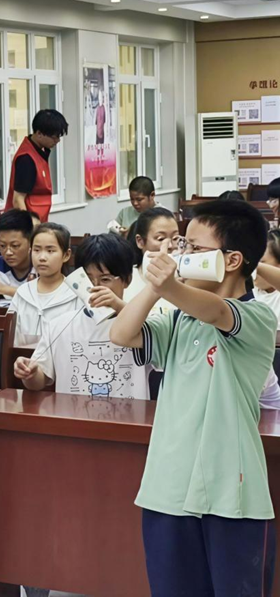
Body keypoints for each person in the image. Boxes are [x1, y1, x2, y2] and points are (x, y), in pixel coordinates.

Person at [110, 200, 277, 597]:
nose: (182, 256)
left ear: (231, 260)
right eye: (182, 246)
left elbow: (218, 312)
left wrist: (169, 285)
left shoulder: (258, 318)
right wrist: (155, 287)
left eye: (194, 248)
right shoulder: (178, 320)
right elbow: (122, 334)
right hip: (167, 489)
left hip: (232, 495)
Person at [15, 234, 148, 399]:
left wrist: (118, 305)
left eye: (105, 279)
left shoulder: (144, 326)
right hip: (71, 415)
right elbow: (38, 382)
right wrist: (30, 374)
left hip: (130, 415)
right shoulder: (59, 325)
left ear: (127, 280)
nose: (95, 287)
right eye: (88, 279)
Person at [9, 223, 81, 347]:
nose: (42, 257)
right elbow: (11, 336)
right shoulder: (23, 292)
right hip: (23, 358)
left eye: (50, 251)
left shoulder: (75, 293)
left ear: (66, 255)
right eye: (37, 250)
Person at [3, 109, 68, 222]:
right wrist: (31, 226)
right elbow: (18, 200)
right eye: (54, 137)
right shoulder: (26, 158)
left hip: (38, 222)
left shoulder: (39, 152)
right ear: (39, 134)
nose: (57, 140)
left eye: (59, 137)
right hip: (25, 226)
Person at [123, 207, 179, 314]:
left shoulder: (185, 278)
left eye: (175, 238)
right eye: (161, 239)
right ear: (140, 241)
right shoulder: (126, 280)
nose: (170, 246)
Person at [0, 209, 35, 301]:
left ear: (30, 243)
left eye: (15, 246)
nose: (8, 252)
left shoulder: (41, 265)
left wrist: (3, 289)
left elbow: (42, 296)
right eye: (2, 246)